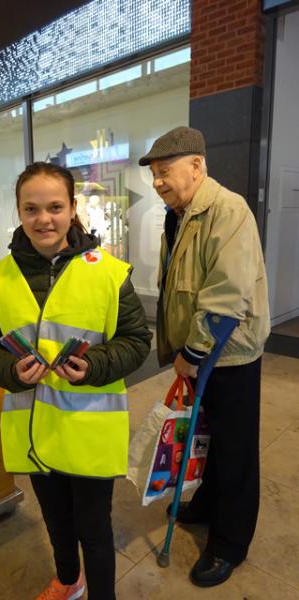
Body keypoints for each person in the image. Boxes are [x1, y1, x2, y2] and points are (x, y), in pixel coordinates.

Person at [0, 162, 151, 600]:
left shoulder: (109, 273)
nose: (43, 219)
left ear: (73, 209)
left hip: (89, 429)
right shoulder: (1, 277)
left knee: (93, 528)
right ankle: (68, 582)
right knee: (55, 520)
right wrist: (11, 372)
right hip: (35, 429)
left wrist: (96, 366)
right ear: (18, 212)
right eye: (31, 208)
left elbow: (137, 340)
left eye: (55, 206)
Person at [139, 126, 270, 587]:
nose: (157, 182)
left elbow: (226, 295)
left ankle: (230, 543)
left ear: (196, 165)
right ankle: (209, 503)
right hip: (196, 354)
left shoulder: (227, 210)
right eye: (154, 174)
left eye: (164, 171)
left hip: (228, 354)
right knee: (207, 436)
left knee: (235, 449)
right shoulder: (180, 213)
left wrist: (192, 353)